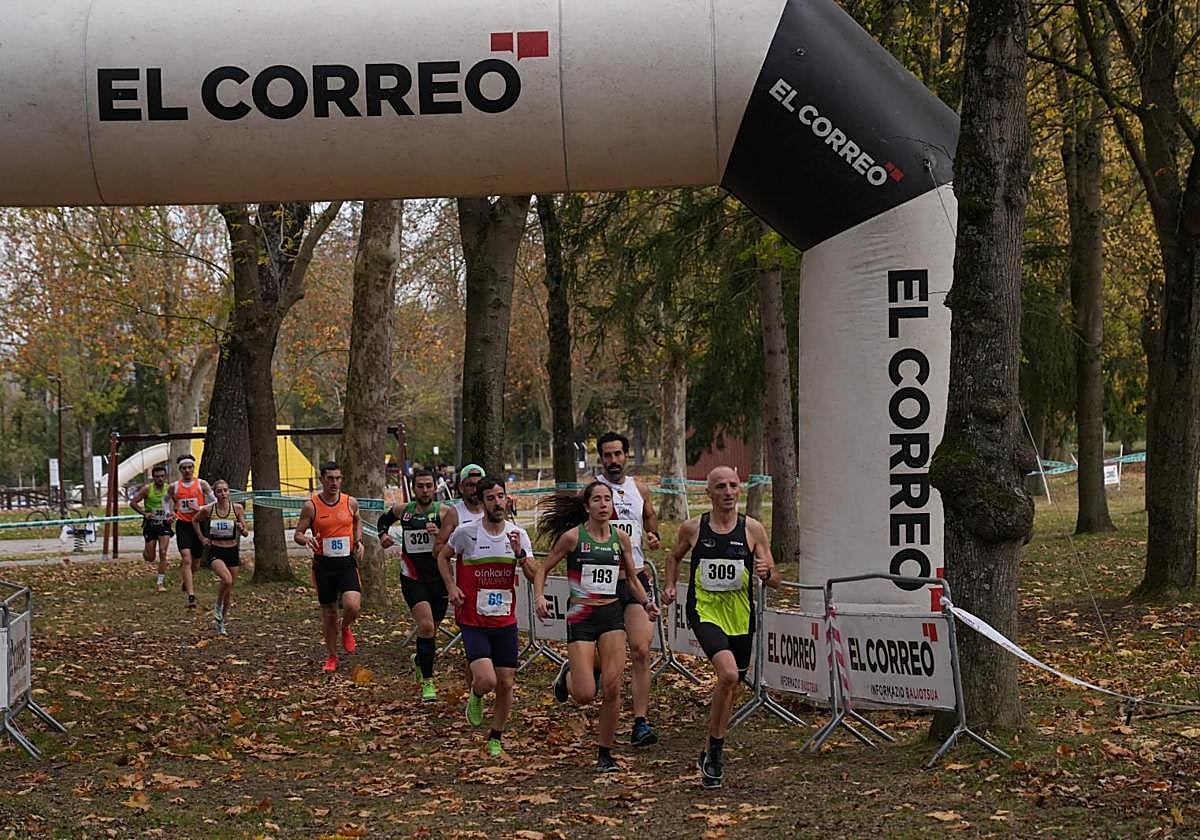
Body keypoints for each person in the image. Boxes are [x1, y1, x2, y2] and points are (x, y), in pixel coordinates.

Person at [662, 466, 779, 790]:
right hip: (705, 610)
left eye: (733, 485)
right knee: (727, 675)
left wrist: (767, 572)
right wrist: (669, 586)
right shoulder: (693, 528)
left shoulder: (752, 529)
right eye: (721, 487)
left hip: (740, 615)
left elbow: (775, 578)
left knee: (732, 685)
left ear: (740, 489)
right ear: (709, 492)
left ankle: (710, 746)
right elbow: (672, 557)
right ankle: (716, 753)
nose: (728, 492)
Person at [535, 481, 656, 773]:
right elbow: (542, 569)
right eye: (597, 500)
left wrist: (646, 602)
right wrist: (539, 596)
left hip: (611, 615)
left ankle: (605, 754)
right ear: (587, 506)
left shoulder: (620, 539)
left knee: (612, 688)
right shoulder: (573, 537)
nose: (603, 505)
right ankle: (568, 676)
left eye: (607, 499)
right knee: (585, 694)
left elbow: (632, 579)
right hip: (581, 615)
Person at [437, 478, 537, 758]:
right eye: (490, 498)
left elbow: (533, 575)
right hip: (474, 620)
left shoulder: (518, 534)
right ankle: (477, 694)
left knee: (506, 683)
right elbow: (443, 557)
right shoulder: (466, 533)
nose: (497, 503)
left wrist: (520, 555)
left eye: (501, 496)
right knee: (487, 680)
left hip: (505, 621)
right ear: (481, 503)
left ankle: (496, 736)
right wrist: (451, 586)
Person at [595, 431, 662, 747]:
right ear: (600, 458)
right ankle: (581, 667)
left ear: (626, 455)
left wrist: (653, 535)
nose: (613, 460)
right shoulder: (593, 491)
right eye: (607, 455)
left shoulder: (639, 488)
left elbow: (650, 518)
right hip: (603, 581)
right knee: (608, 656)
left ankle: (640, 722)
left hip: (636, 578)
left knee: (641, 649)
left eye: (618, 454)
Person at [378, 468, 447, 701]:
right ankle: (428, 681)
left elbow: (456, 540)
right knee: (426, 627)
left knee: (432, 630)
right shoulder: (404, 511)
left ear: (434, 488)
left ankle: (420, 659)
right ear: (413, 488)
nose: (425, 490)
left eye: (429, 486)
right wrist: (383, 536)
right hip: (412, 576)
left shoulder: (444, 512)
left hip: (439, 578)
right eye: (420, 486)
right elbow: (383, 520)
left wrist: (440, 534)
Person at [294, 462, 365, 674]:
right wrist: (306, 539)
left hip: (346, 563)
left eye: (338, 478)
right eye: (330, 478)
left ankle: (346, 626)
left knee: (352, 605)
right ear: (322, 479)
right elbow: (298, 533)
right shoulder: (311, 506)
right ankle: (332, 656)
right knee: (329, 614)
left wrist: (359, 541)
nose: (334, 482)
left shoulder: (350, 502)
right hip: (323, 566)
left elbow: (357, 521)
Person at [193, 480, 248, 636]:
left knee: (228, 591)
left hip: (232, 550)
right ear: (215, 493)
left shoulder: (237, 508)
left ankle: (221, 623)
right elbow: (194, 520)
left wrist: (241, 528)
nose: (223, 494)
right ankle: (217, 605)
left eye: (225, 490)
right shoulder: (209, 509)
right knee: (227, 580)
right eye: (219, 491)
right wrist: (202, 538)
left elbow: (245, 532)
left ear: (229, 492)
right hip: (216, 550)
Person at [166, 455, 215, 610]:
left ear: (193, 468)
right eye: (184, 468)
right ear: (180, 470)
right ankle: (191, 595)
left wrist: (200, 508)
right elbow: (166, 500)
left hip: (199, 524)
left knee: (196, 562)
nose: (187, 470)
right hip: (183, 525)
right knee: (186, 559)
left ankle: (187, 581)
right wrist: (169, 513)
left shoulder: (202, 484)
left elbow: (214, 501)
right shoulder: (174, 486)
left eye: (189, 467)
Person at [129, 463, 173, 592]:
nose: (160, 479)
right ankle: (146, 551)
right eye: (157, 476)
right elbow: (133, 502)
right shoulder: (147, 489)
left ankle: (160, 583)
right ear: (153, 478)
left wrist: (173, 513)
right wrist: (145, 513)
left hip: (164, 523)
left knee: (163, 552)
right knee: (150, 557)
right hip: (151, 523)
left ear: (165, 477)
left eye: (162, 476)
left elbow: (177, 502)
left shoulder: (170, 489)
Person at [435, 464, 486, 547]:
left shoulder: (493, 509)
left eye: (479, 485)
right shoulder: (454, 513)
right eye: (470, 485)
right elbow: (438, 547)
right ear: (461, 488)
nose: (475, 490)